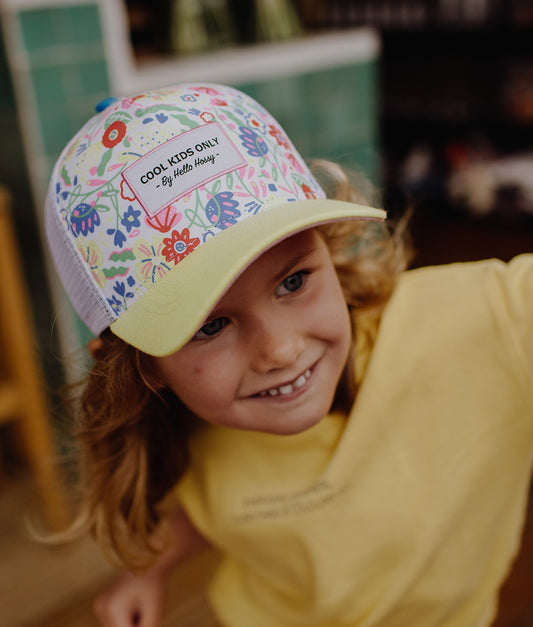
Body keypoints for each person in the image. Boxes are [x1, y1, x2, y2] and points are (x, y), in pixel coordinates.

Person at [44, 83, 533, 627]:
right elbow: (218, 511)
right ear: (144, 366)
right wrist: (146, 572)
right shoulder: (182, 431)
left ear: (329, 245)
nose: (280, 350)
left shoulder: (488, 323)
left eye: (294, 280)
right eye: (209, 325)